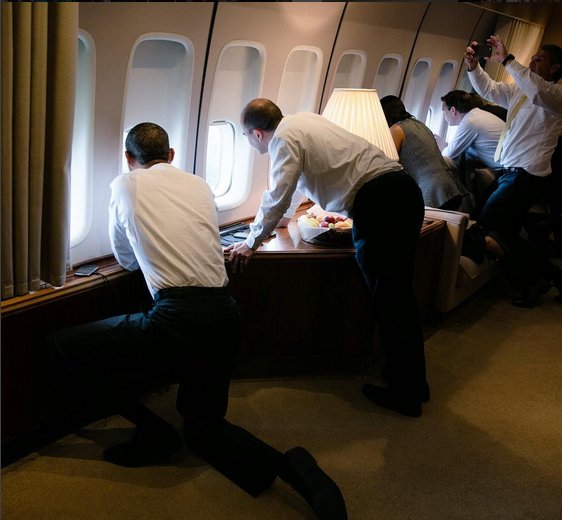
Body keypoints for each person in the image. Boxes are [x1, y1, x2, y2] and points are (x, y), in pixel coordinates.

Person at [46, 123, 347, 520]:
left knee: (62, 347)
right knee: (205, 430)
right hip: (226, 314)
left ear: (129, 159)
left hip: (177, 318)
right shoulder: (200, 185)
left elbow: (126, 259)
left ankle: (154, 432)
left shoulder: (124, 184)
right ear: (171, 155)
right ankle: (292, 467)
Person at [226, 99, 429, 418]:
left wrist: (250, 243)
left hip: (379, 204)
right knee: (399, 297)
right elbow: (294, 186)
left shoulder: (283, 140)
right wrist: (283, 220)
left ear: (257, 133)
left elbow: (277, 194)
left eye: (245, 136)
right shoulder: (303, 121)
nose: (249, 143)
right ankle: (413, 382)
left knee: (390, 300)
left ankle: (405, 394)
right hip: (402, 192)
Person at [462, 35, 562, 307]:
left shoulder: (558, 96)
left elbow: (537, 91)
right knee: (506, 232)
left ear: (554, 68)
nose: (532, 62)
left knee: (487, 224)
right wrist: (473, 67)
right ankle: (558, 277)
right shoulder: (520, 91)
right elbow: (490, 90)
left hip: (527, 175)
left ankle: (533, 281)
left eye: (539, 59)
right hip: (511, 173)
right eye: (533, 58)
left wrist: (507, 60)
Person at [379, 95, 468, 211]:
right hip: (451, 186)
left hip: (433, 192)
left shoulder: (396, 130)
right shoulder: (419, 125)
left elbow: (387, 164)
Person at [440, 89, 504, 171]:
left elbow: (448, 155)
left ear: (452, 110)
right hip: (513, 166)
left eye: (444, 111)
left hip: (513, 170)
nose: (444, 116)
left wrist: (441, 147)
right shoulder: (476, 114)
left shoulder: (469, 122)